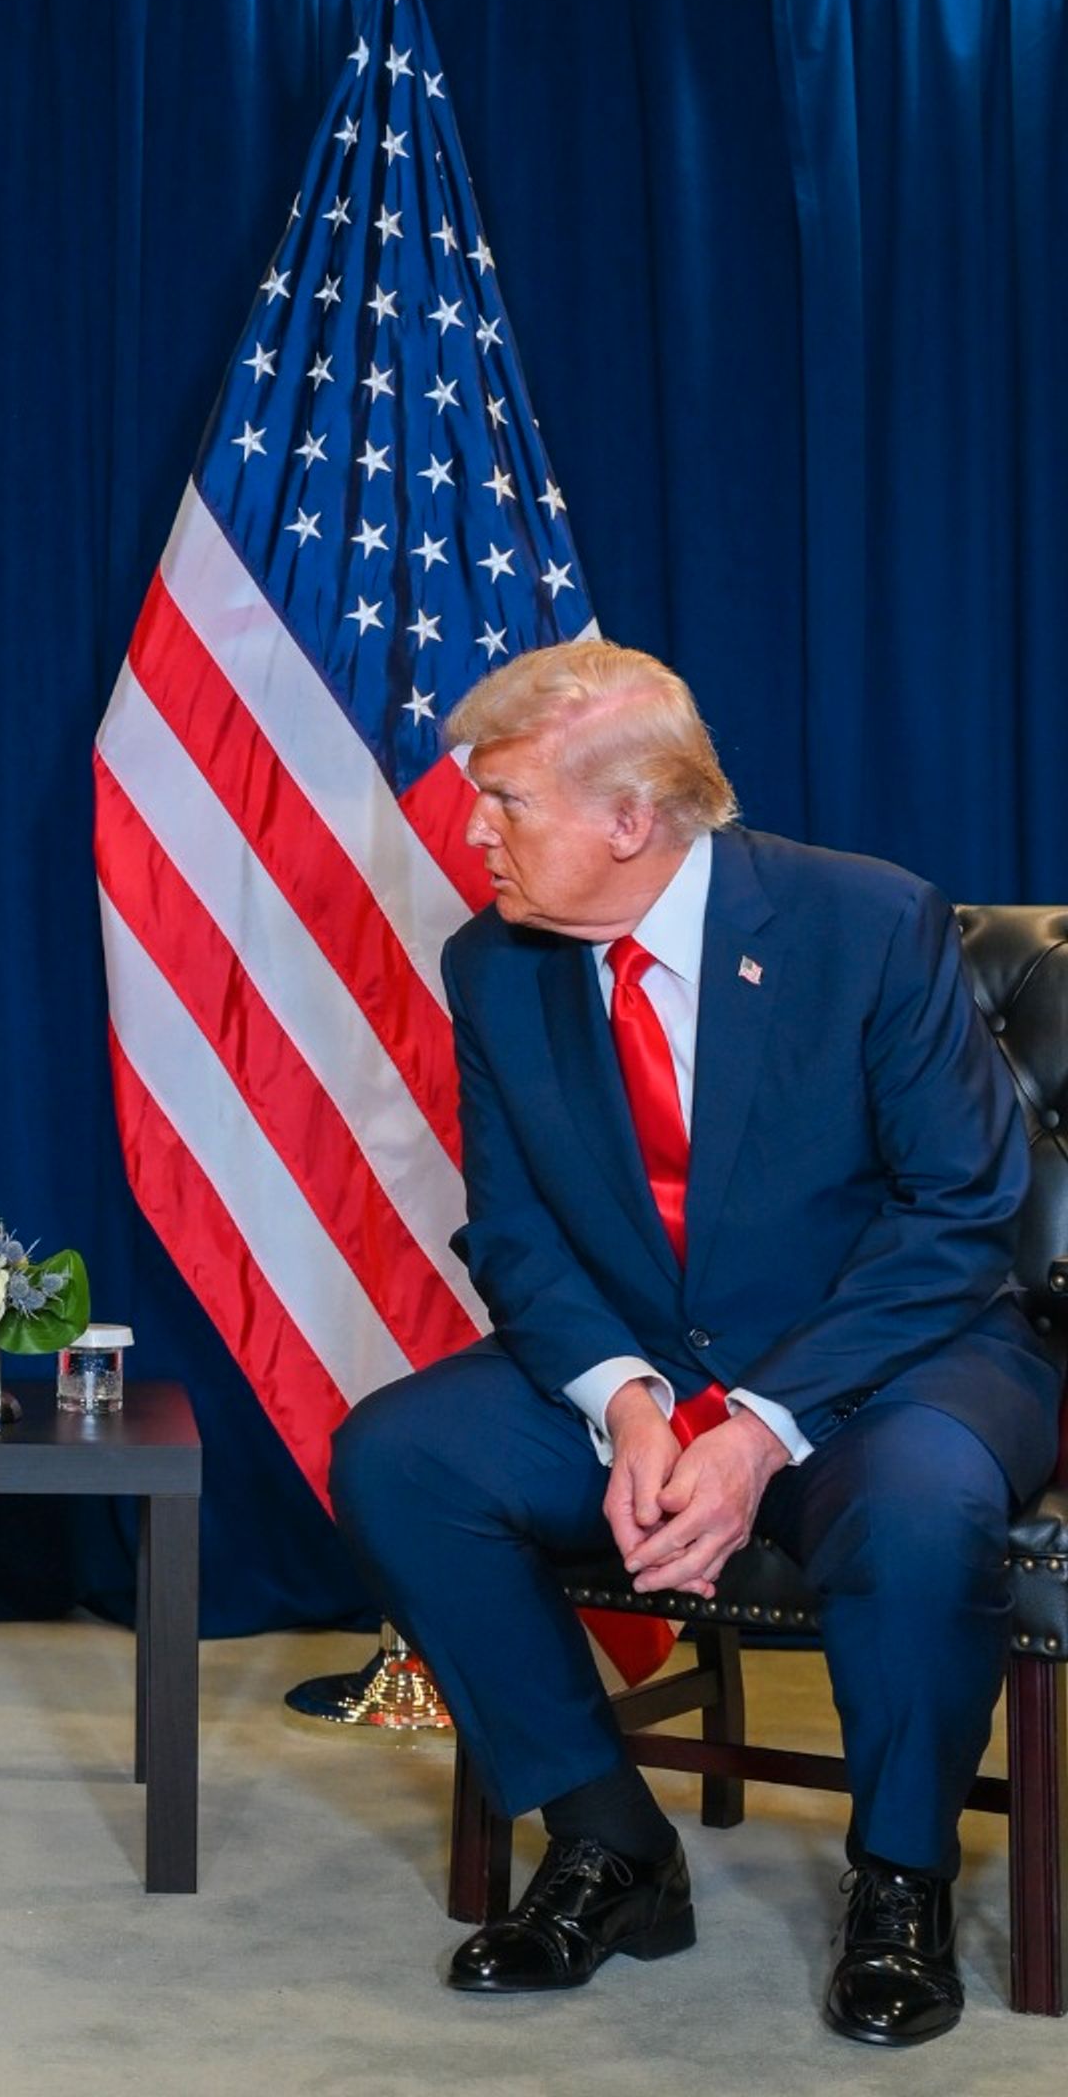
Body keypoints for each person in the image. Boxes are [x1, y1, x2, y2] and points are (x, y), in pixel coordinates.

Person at [330, 640, 1060, 2047]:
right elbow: (516, 1233)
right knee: (402, 1457)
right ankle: (611, 1846)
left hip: (894, 1359)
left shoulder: (868, 922)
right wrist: (627, 1403)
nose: (474, 832)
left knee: (921, 1512)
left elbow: (960, 1216)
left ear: (629, 818)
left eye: (504, 800)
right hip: (649, 1361)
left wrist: (760, 1425)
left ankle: (900, 1883)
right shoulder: (494, 963)